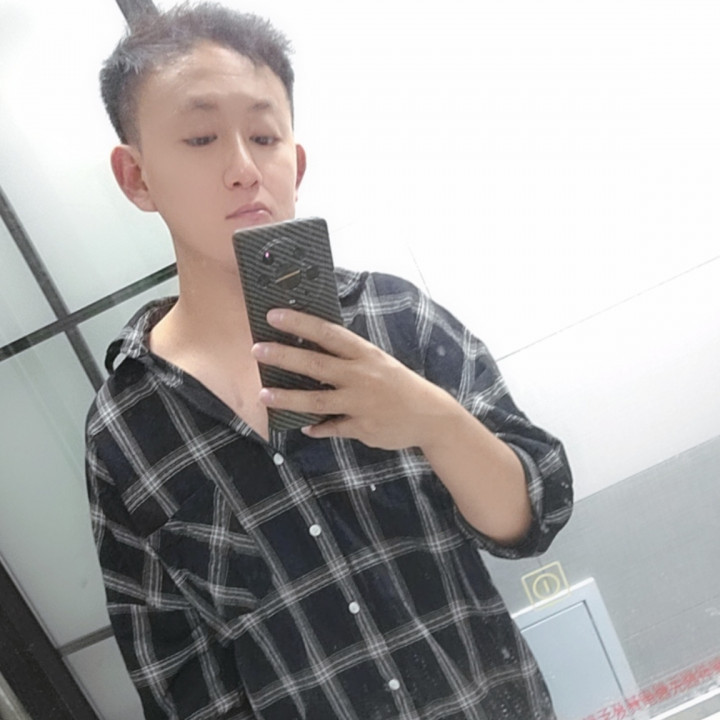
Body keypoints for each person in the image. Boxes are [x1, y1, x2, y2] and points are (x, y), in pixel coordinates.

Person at [85, 3, 573, 719]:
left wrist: (433, 421)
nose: (243, 169)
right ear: (136, 177)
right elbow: (180, 678)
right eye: (200, 137)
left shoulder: (393, 318)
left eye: (264, 136)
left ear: (298, 162)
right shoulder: (128, 427)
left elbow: (535, 515)